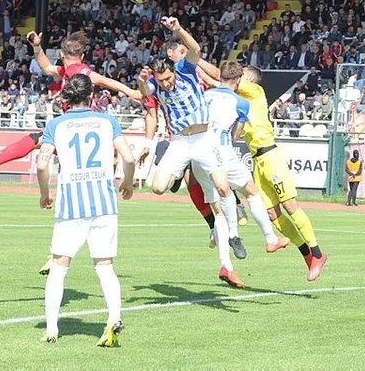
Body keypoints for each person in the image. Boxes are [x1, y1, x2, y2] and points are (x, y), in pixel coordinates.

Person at [138, 17, 244, 288]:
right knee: (158, 187)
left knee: (222, 188)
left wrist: (178, 30)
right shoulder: (155, 86)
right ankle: (178, 174)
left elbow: (195, 49)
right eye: (162, 80)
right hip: (180, 143)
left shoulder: (184, 70)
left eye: (168, 78)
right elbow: (144, 93)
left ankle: (230, 243)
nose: (167, 83)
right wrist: (143, 82)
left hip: (204, 139)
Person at [199, 62, 327, 282]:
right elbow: (218, 83)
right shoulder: (237, 100)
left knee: (290, 205)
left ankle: (317, 253)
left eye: (243, 74)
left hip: (270, 155)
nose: (239, 76)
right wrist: (195, 67)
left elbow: (223, 77)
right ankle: (308, 257)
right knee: (272, 215)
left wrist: (197, 60)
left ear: (250, 80)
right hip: (258, 161)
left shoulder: (256, 91)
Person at [36, 74, 135, 346]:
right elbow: (128, 157)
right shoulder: (107, 121)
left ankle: (52, 328)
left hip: (71, 205)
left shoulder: (56, 125)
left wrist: (45, 194)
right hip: (104, 202)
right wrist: (127, 183)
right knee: (104, 265)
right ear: (92, 95)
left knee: (58, 266)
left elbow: (42, 164)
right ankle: (114, 317)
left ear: (67, 97)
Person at [0, 32, 141, 175]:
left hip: (78, 126)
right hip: (77, 125)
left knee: (36, 141)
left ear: (61, 55)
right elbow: (47, 68)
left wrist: (132, 92)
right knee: (39, 143)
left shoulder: (79, 71)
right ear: (83, 55)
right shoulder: (70, 70)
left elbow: (104, 81)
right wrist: (36, 47)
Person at [191, 60, 290, 257]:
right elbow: (236, 136)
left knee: (219, 202)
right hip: (222, 150)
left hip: (198, 153)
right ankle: (269, 238)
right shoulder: (241, 102)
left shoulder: (205, 95)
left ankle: (227, 239)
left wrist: (197, 66)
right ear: (238, 80)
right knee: (251, 193)